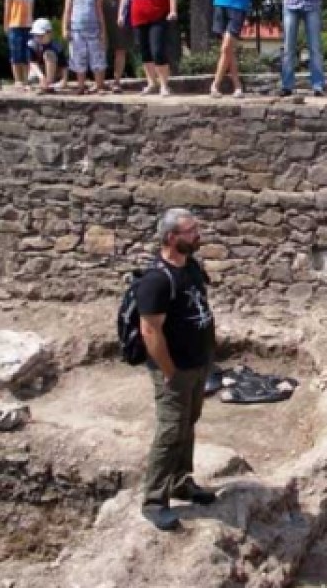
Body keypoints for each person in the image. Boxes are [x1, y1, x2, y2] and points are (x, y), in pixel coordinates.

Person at [137, 208, 218, 531]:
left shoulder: (191, 267)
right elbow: (150, 331)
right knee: (171, 430)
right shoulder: (156, 280)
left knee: (188, 423)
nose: (197, 235)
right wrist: (169, 371)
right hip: (174, 369)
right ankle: (154, 501)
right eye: (191, 231)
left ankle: (181, 482)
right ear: (172, 238)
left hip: (198, 364)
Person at [122, 0, 177, 96]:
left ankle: (164, 85)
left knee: (158, 50)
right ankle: (151, 82)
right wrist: (121, 13)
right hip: (138, 16)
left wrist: (173, 10)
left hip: (158, 15)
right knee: (144, 51)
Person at [62, 0, 108, 95]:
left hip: (94, 31)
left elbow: (100, 13)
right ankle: (81, 86)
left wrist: (103, 31)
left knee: (97, 58)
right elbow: (67, 12)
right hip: (77, 32)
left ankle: (99, 86)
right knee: (78, 58)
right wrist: (65, 29)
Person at [4, 0, 35, 92]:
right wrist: (6, 26)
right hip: (15, 26)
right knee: (16, 54)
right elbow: (7, 11)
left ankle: (26, 79)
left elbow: (31, 12)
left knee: (27, 54)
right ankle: (18, 80)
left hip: (27, 26)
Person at [26, 18, 69, 93]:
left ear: (49, 33)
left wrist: (64, 80)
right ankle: (41, 83)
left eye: (41, 35)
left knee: (49, 54)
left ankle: (49, 83)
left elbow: (64, 66)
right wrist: (41, 76)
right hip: (39, 72)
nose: (38, 38)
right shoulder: (32, 44)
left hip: (55, 72)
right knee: (32, 79)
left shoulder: (57, 47)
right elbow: (32, 62)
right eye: (36, 35)